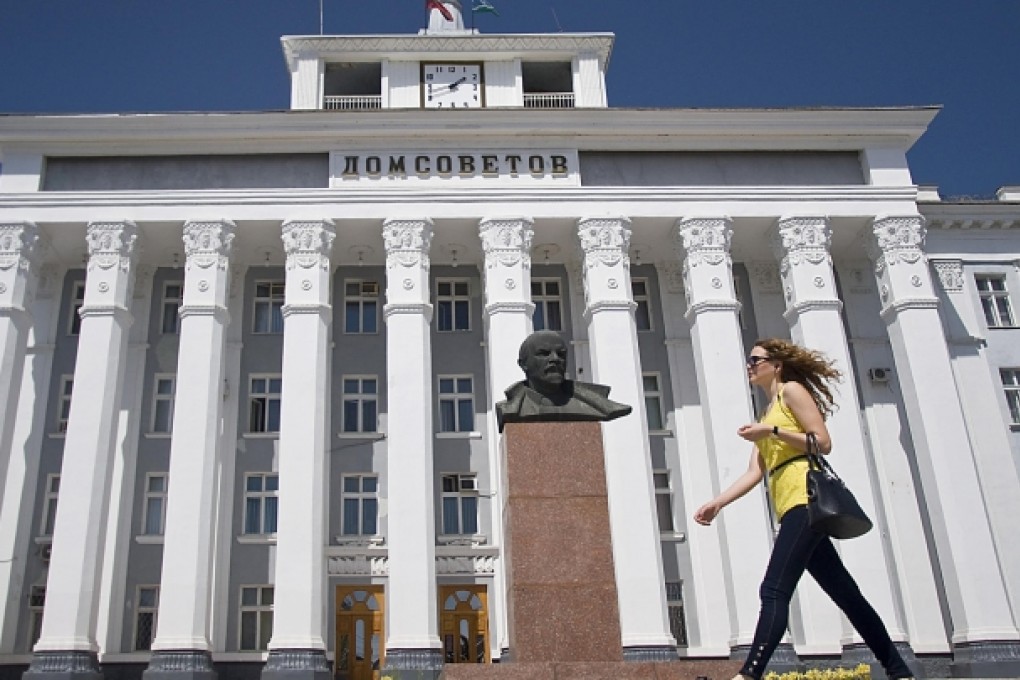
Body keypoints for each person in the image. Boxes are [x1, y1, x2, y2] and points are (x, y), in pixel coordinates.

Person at [694, 338, 913, 680]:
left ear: (776, 364)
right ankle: (899, 672)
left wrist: (775, 431)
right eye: (749, 361)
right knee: (846, 594)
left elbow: (822, 442)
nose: (750, 365)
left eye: (756, 359)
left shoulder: (791, 392)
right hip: (788, 505)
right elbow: (755, 472)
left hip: (805, 500)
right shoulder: (766, 413)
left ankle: (749, 674)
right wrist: (718, 502)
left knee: (773, 589)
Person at [495, 330, 631, 431]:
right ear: (523, 364)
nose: (555, 359)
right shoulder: (510, 408)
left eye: (561, 354)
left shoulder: (595, 404)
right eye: (544, 354)